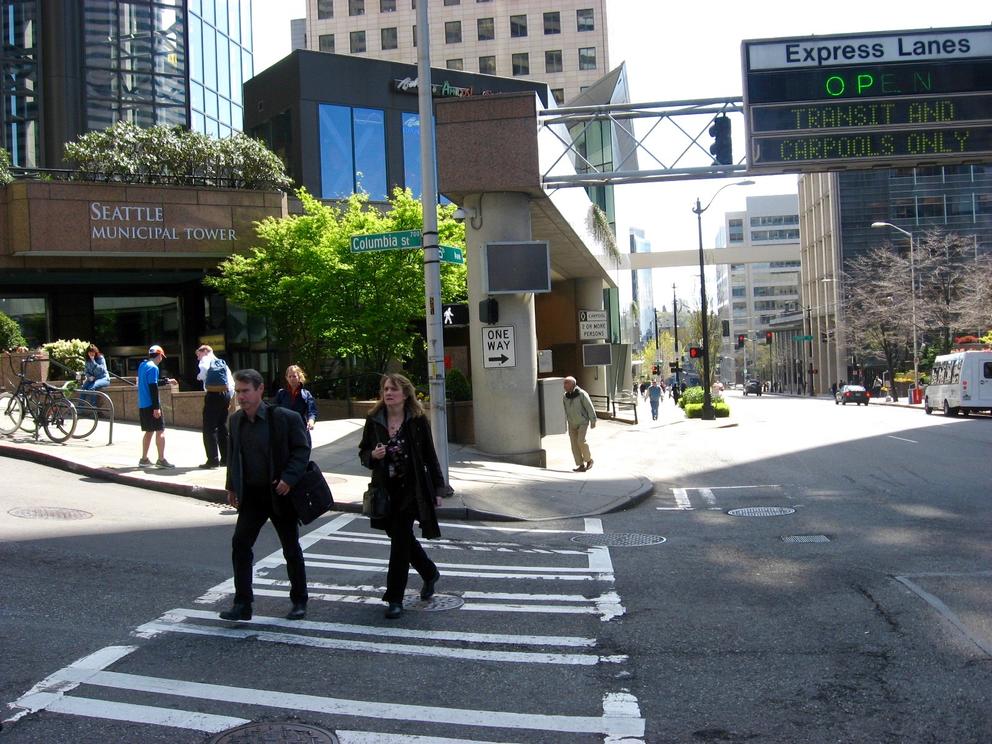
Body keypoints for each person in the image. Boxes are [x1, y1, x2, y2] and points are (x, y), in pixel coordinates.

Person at [220, 368, 312, 622]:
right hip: (252, 495)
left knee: (290, 547)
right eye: (238, 391)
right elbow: (233, 455)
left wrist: (289, 479)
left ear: (260, 390)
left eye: (246, 391)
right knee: (240, 544)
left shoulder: (284, 418)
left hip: (279, 493)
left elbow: (302, 450)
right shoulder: (236, 420)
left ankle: (299, 601)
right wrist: (232, 486)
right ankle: (243, 603)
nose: (241, 397)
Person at [358, 373, 445, 620]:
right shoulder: (374, 420)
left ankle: (394, 598)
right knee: (401, 537)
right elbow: (363, 451)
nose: (388, 393)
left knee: (399, 544)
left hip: (411, 490)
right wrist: (372, 456)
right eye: (385, 389)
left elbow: (430, 455)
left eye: (393, 389)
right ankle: (429, 572)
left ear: (405, 394)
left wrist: (439, 489)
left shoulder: (417, 420)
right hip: (385, 491)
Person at [195, 344, 234, 469]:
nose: (198, 358)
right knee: (222, 426)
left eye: (198, 354)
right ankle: (226, 459)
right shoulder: (222, 363)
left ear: (205, 351)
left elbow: (203, 370)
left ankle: (212, 460)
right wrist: (229, 400)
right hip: (226, 395)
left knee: (209, 427)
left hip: (213, 395)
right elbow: (231, 383)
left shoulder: (206, 359)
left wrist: (199, 376)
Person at [137, 345, 174, 469]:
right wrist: (156, 408)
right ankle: (161, 459)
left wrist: (167, 381)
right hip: (151, 405)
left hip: (143, 404)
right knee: (160, 431)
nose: (161, 359)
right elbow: (153, 388)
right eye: (161, 357)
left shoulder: (143, 366)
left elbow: (151, 383)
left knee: (149, 431)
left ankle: (144, 459)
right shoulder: (154, 368)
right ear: (159, 355)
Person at [274, 364, 318, 443]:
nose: (291, 379)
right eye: (289, 376)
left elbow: (312, 411)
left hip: (301, 429)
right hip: (285, 430)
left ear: (299, 377)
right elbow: (274, 410)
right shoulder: (281, 393)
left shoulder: (306, 394)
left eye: (294, 376)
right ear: (286, 378)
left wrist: (311, 420)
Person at [562, 376, 596, 472]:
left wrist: (593, 420)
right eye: (564, 383)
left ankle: (589, 460)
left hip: (582, 422)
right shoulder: (565, 396)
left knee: (580, 441)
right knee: (574, 444)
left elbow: (589, 407)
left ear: (572, 384)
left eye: (566, 383)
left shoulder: (582, 394)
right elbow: (565, 410)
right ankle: (580, 465)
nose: (564, 385)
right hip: (572, 423)